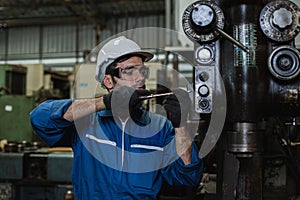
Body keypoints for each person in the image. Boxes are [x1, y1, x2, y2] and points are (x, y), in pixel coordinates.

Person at [30, 36, 203, 200]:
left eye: (143, 70)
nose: (140, 77)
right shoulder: (86, 124)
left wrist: (181, 125)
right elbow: (39, 118)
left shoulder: (159, 126)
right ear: (109, 81)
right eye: (129, 71)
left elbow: (187, 177)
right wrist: (103, 102)